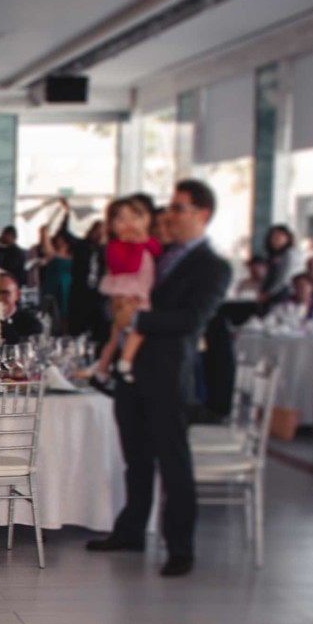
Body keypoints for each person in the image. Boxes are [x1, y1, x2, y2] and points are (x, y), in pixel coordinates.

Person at [87, 179, 233, 577]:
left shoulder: (214, 266)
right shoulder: (164, 251)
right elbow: (124, 293)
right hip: (132, 372)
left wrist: (134, 318)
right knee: (136, 459)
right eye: (170, 206)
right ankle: (131, 529)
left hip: (169, 374)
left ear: (202, 214)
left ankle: (180, 546)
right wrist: (115, 311)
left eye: (179, 207)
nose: (170, 213)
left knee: (173, 463)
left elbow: (191, 320)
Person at [90, 195, 161, 381]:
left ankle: (105, 368)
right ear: (112, 224)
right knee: (128, 331)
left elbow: (156, 250)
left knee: (122, 334)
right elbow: (128, 266)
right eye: (121, 219)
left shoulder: (145, 241)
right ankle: (123, 363)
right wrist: (136, 245)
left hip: (140, 291)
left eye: (134, 218)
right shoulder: (115, 246)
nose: (128, 224)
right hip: (128, 291)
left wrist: (143, 239)